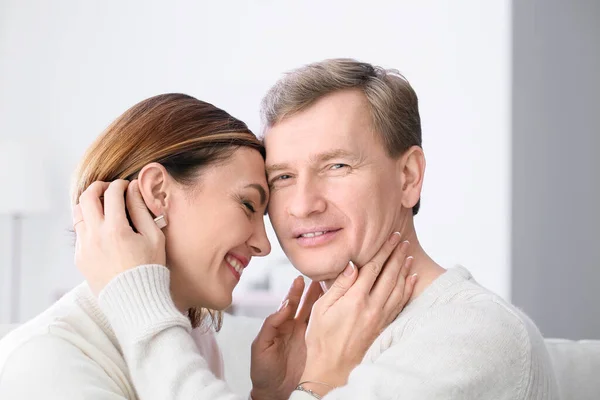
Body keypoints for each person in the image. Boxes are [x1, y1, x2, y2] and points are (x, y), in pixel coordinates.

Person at [73, 59, 560, 400]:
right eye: (282, 177)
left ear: (408, 177)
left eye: (338, 166)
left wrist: (135, 297)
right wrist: (275, 396)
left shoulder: (471, 336)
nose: (302, 205)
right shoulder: (317, 344)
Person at [0, 93, 416, 399]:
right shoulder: (45, 360)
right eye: (248, 204)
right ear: (159, 193)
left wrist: (272, 395)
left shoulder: (195, 336)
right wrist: (319, 385)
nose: (263, 245)